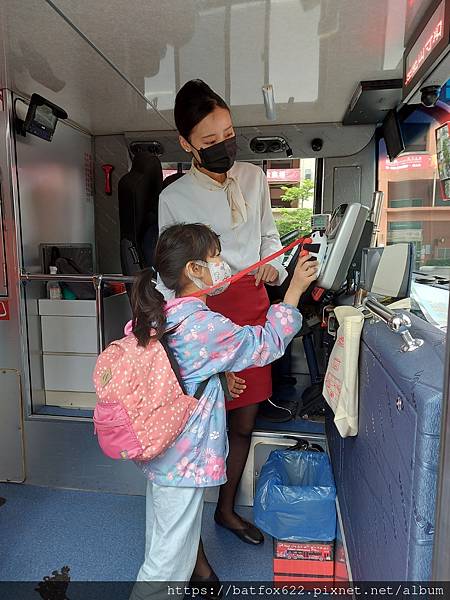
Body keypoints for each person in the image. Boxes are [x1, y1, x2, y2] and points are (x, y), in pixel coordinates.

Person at [130, 223, 318, 598]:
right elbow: (265, 345)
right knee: (166, 559)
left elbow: (184, 368)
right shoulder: (204, 324)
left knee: (168, 540)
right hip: (184, 460)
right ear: (193, 270)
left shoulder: (164, 313)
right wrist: (294, 290)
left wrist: (217, 376)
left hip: (164, 451)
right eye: (215, 256)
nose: (223, 264)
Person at [158, 79, 288, 545]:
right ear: (186, 144)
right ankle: (189, 547)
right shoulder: (173, 198)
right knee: (195, 433)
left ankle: (226, 511)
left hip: (252, 306)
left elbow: (269, 238)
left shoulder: (254, 177)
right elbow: (169, 273)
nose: (223, 147)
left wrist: (272, 267)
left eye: (228, 134)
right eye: (209, 141)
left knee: (242, 424)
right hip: (204, 320)